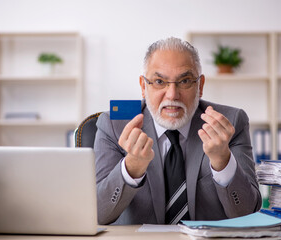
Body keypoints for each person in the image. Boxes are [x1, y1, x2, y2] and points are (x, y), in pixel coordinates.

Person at [94, 37, 261, 225]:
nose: (172, 94)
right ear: (143, 86)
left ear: (200, 86)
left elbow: (249, 216)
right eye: (159, 81)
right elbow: (99, 215)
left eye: (185, 81)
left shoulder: (230, 123)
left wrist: (223, 161)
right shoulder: (113, 125)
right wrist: (131, 168)